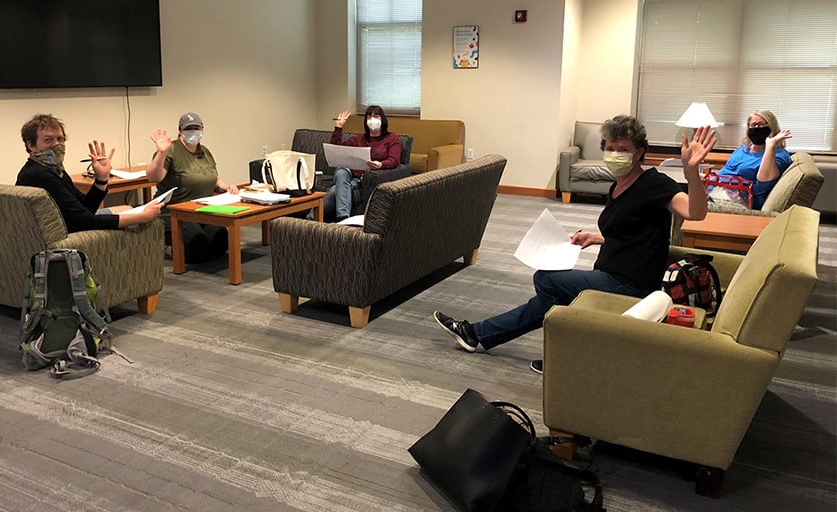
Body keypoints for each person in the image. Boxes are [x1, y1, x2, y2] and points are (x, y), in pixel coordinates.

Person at [434, 115, 717, 373]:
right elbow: (634, 230)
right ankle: (478, 335)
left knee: (546, 281)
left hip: (630, 283)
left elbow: (695, 212)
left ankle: (557, 353)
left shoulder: (655, 184)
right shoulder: (618, 184)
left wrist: (691, 171)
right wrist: (597, 237)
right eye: (610, 148)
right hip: (611, 271)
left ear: (640, 151)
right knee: (547, 302)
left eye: (623, 149)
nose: (615, 155)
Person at [16, 114, 163, 233]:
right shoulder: (39, 175)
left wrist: (101, 178)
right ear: (31, 145)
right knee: (138, 217)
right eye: (48, 140)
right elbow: (84, 221)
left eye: (60, 139)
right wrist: (142, 217)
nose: (57, 145)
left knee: (128, 208)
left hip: (70, 222)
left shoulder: (52, 170)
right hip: (65, 232)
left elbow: (85, 207)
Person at [146, 112, 240, 262]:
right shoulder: (172, 150)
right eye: (189, 128)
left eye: (197, 128)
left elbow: (214, 178)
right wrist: (161, 153)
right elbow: (154, 177)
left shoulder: (205, 151)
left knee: (221, 242)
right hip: (175, 213)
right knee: (198, 247)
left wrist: (227, 187)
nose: (193, 131)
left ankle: (194, 247)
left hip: (202, 211)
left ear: (202, 129)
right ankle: (164, 248)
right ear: (180, 131)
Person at [321, 105, 402, 221]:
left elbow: (394, 160)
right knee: (340, 172)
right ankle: (343, 218)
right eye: (369, 116)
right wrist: (338, 127)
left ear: (382, 119)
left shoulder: (392, 138)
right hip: (350, 174)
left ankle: (309, 218)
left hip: (364, 179)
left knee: (335, 190)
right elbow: (336, 149)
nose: (372, 119)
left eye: (376, 116)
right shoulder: (358, 139)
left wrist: (380, 164)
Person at [716, 110, 792, 210]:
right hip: (715, 190)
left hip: (736, 201)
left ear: (771, 127)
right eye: (753, 125)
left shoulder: (780, 155)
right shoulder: (742, 149)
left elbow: (764, 183)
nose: (757, 128)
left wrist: (770, 145)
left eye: (761, 125)